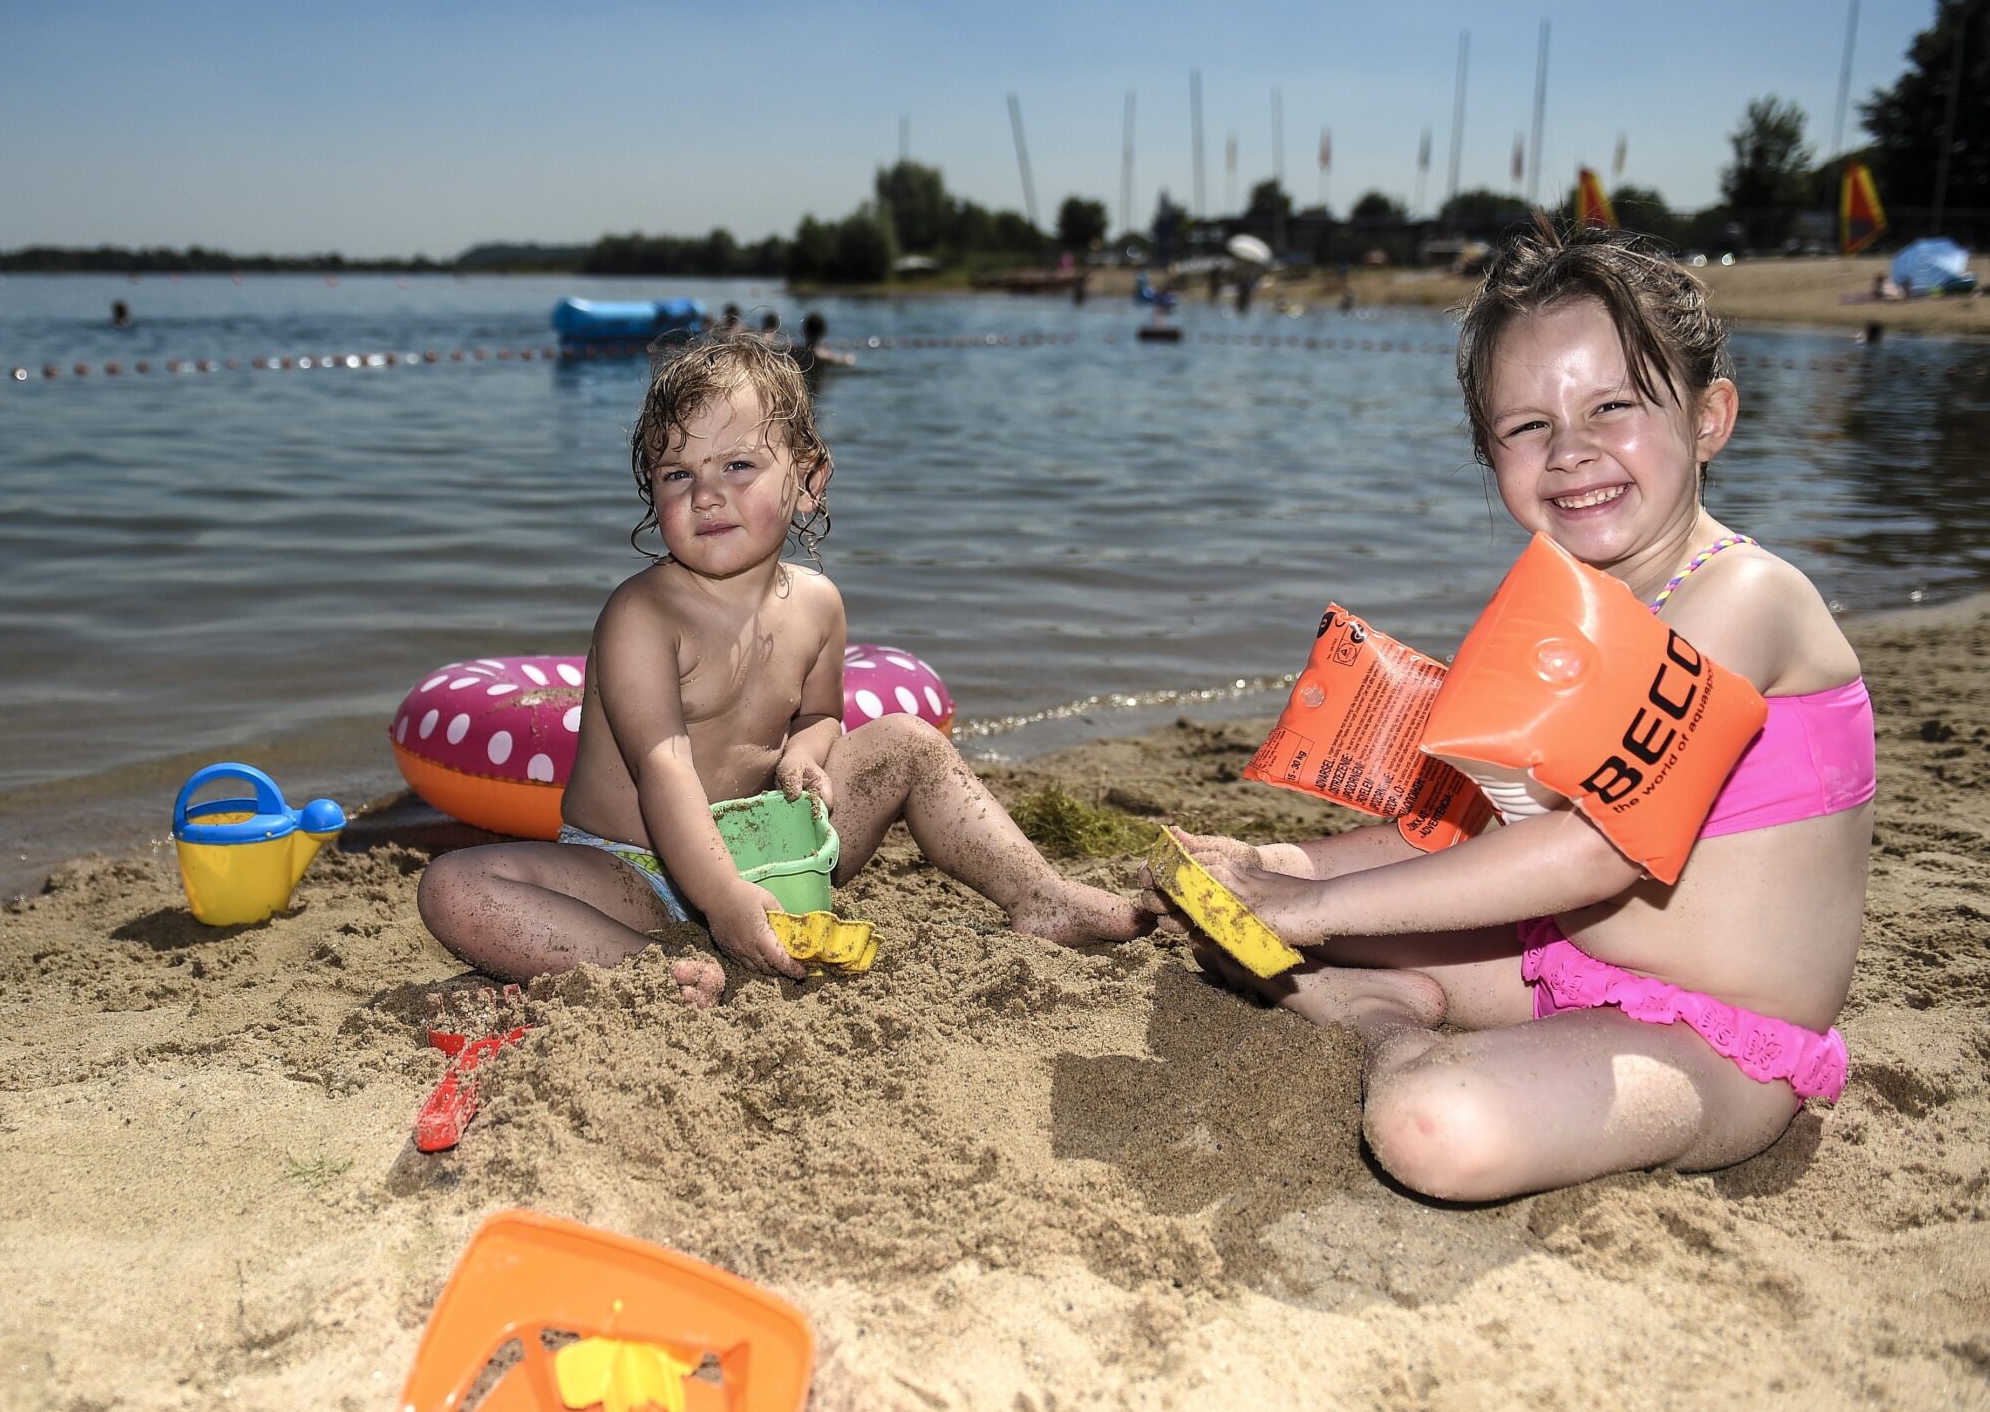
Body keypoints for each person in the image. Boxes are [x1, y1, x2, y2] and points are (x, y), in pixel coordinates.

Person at [1170, 222, 1872, 1201]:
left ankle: (1387, 1024)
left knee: (1430, 1127)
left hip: (1720, 1046)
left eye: (1613, 405)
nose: (1572, 452)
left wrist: (1313, 906)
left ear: (1709, 417)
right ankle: (1386, 997)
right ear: (1489, 453)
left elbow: (1596, 847)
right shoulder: (1588, 608)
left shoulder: (1747, 601)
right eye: (1527, 425)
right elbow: (1497, 827)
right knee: (1219, 912)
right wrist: (1273, 868)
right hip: (1560, 969)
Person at [417, 335, 1140, 1007]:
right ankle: (648, 967)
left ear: (807, 481)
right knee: (454, 887)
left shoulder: (818, 604)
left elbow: (821, 714)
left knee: (910, 742)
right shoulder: (642, 616)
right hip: (636, 870)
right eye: (678, 473)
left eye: (738, 465)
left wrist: (804, 752)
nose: (706, 493)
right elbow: (664, 770)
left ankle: (1040, 894)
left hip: (778, 853)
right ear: (652, 493)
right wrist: (722, 897)